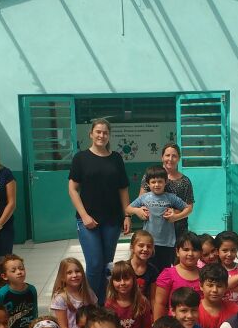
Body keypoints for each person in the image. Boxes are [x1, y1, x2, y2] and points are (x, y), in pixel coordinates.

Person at [68, 118, 131, 305]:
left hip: (112, 220)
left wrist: (127, 215)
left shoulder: (116, 158)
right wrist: (84, 216)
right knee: (95, 263)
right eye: (98, 132)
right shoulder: (81, 158)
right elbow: (72, 189)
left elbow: (123, 189)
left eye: (105, 132)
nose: (101, 135)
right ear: (91, 134)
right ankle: (89, 305)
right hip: (87, 221)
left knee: (106, 265)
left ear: (109, 135)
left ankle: (104, 305)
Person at [127, 165, 190, 269]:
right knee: (148, 269)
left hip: (167, 243)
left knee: (164, 271)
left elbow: (187, 208)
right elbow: (128, 209)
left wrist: (175, 216)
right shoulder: (144, 198)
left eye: (160, 181)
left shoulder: (171, 198)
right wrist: (137, 210)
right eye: (153, 182)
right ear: (148, 183)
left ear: (166, 182)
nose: (157, 185)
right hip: (148, 243)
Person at [139, 143, 195, 240]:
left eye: (174, 156)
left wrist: (176, 216)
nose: (170, 159)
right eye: (167, 155)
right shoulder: (150, 176)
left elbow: (189, 208)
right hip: (154, 230)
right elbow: (141, 200)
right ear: (162, 157)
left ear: (179, 158)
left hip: (178, 231)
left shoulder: (185, 181)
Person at [50, 257, 98, 328]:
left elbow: (97, 318)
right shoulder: (61, 298)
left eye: (77, 271)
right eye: (69, 272)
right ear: (62, 277)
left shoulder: (88, 294)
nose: (74, 275)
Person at [106, 261, 152, 328]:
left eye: (126, 278)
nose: (122, 283)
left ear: (133, 280)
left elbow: (147, 327)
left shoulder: (142, 302)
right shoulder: (110, 304)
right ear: (112, 282)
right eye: (118, 279)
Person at [152, 232, 202, 320]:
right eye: (186, 250)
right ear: (177, 252)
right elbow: (160, 304)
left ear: (200, 253)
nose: (190, 253)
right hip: (174, 325)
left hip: (200, 323)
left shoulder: (204, 274)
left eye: (194, 250)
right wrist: (158, 326)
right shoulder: (168, 274)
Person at [0, 254, 38, 328]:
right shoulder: (0, 294)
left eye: (21, 269)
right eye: (13, 270)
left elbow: (35, 312)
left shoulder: (32, 289)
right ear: (4, 276)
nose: (19, 272)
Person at [126, 230, 160, 299]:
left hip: (145, 305)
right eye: (141, 245)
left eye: (149, 246)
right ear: (132, 247)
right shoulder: (123, 268)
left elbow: (153, 298)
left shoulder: (153, 271)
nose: (145, 249)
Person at [217, 231, 238, 308]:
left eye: (233, 250)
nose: (229, 254)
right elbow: (220, 287)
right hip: (222, 310)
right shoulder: (215, 269)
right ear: (217, 251)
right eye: (225, 250)